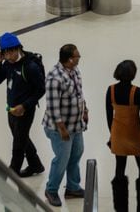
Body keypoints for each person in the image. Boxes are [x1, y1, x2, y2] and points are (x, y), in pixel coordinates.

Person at [0, 33, 46, 176]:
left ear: (18, 48)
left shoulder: (30, 67)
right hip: (11, 109)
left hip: (25, 111)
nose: (8, 56)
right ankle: (36, 165)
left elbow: (41, 89)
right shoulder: (7, 63)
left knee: (18, 145)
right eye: (5, 52)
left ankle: (11, 175)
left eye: (11, 51)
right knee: (21, 138)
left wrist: (25, 106)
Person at [42, 44, 87, 207]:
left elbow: (79, 93)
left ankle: (73, 187)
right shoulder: (55, 78)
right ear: (69, 59)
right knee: (62, 159)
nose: (79, 58)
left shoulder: (74, 71)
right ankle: (51, 190)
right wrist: (62, 130)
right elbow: (53, 108)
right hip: (60, 129)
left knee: (76, 155)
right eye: (77, 56)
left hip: (76, 125)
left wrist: (85, 109)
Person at [106, 60, 140, 212]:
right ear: (133, 74)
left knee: (119, 169)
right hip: (136, 133)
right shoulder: (138, 92)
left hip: (118, 133)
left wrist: (112, 135)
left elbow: (108, 115)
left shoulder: (110, 90)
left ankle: (120, 207)